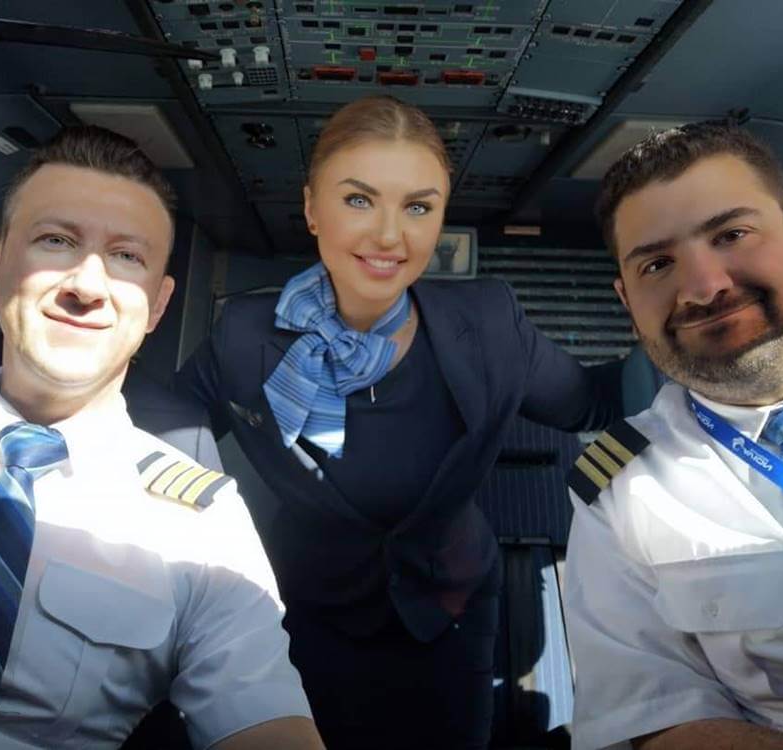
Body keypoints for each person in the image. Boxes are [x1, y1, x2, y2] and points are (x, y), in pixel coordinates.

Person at [174, 95, 622, 749]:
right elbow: (167, 409)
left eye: (418, 206)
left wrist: (709, 348)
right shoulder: (245, 333)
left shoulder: (490, 320)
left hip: (454, 609)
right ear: (311, 209)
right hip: (307, 608)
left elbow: (591, 402)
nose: (390, 236)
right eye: (359, 200)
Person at [0, 126, 323, 750]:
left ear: (158, 307)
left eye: (126, 257)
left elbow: (268, 722)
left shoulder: (204, 523)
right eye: (55, 242)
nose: (86, 287)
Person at [564, 122, 783, 749]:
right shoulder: (619, 493)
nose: (705, 287)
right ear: (629, 302)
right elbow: (654, 713)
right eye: (658, 264)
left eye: (731, 234)